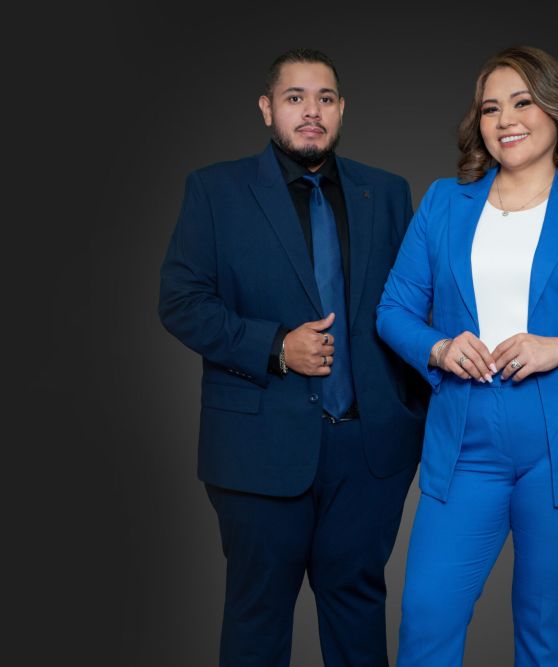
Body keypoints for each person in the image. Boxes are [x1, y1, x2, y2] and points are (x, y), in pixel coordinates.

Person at [377, 46, 558, 666]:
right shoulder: (442, 202)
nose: (506, 118)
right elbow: (393, 312)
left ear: (555, 109)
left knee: (544, 621)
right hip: (465, 440)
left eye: (522, 101)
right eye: (490, 108)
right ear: (478, 124)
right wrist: (438, 345)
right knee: (427, 611)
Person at [159, 48, 426, 667]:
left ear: (341, 110)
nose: (311, 111)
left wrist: (409, 415)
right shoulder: (215, 190)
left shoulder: (385, 193)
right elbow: (180, 301)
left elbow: (420, 305)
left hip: (368, 455)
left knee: (359, 618)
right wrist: (277, 347)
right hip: (258, 452)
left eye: (325, 99)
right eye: (295, 97)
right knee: (257, 621)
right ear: (267, 108)